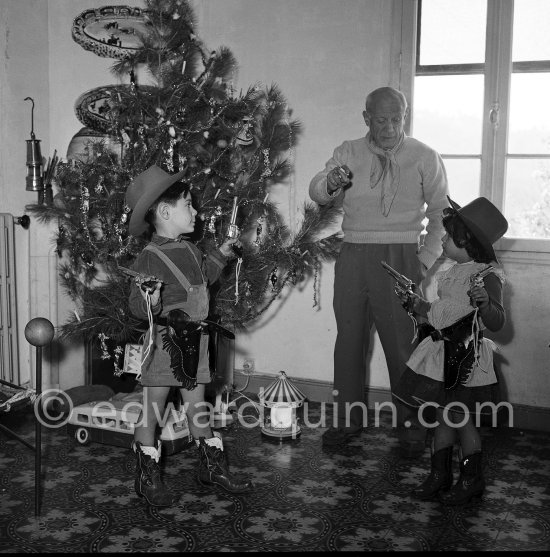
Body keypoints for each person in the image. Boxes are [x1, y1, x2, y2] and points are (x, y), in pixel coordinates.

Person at [309, 86, 449, 454]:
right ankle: (345, 421)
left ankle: (411, 428)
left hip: (403, 256)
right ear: (366, 118)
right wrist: (330, 183)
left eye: (396, 119)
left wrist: (423, 259)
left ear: (406, 116)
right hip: (355, 254)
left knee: (404, 345)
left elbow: (441, 214)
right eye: (381, 119)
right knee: (349, 342)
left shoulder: (425, 156)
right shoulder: (348, 151)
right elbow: (318, 191)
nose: (389, 127)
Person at [125, 164, 252, 507]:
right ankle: (146, 477)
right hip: (165, 344)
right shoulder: (149, 258)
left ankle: (212, 468)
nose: (196, 211)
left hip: (197, 342)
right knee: (153, 410)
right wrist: (148, 299)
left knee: (198, 410)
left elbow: (202, 279)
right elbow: (137, 306)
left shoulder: (191, 250)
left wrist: (220, 257)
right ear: (165, 212)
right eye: (189, 205)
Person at [393, 195, 508, 505]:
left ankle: (472, 479)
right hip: (443, 355)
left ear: (466, 240)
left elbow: (497, 321)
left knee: (461, 420)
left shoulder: (486, 277)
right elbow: (441, 312)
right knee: (445, 418)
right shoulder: (454, 272)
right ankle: (439, 475)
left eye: (448, 235)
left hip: (467, 361)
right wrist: (413, 302)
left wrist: (485, 303)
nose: (442, 238)